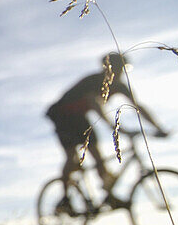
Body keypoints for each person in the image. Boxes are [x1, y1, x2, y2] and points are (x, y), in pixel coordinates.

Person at [46, 52, 167, 207]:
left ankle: (108, 195)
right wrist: (115, 128)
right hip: (62, 115)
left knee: (98, 156)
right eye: (116, 68)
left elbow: (138, 106)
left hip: (81, 118)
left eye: (122, 69)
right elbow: (94, 103)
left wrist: (158, 128)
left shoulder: (121, 86)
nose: (119, 73)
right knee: (72, 157)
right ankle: (65, 200)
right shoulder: (94, 80)